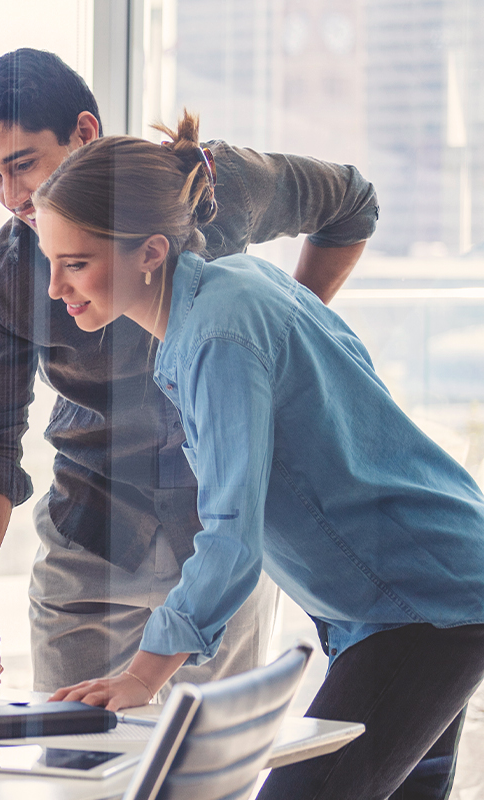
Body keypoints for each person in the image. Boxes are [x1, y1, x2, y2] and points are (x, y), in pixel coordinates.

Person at [37, 113, 484, 800]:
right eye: (52, 261)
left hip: (422, 604)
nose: (56, 288)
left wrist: (143, 674)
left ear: (150, 252)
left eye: (77, 263)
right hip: (410, 593)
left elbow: (230, 536)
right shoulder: (237, 288)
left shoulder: (218, 333)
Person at [0, 48, 380, 693]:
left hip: (220, 534)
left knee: (204, 776)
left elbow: (350, 202)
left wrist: (287, 326)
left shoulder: (208, 188)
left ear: (85, 133)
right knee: (74, 772)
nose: (13, 198)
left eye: (23, 166)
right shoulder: (1, 273)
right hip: (91, 532)